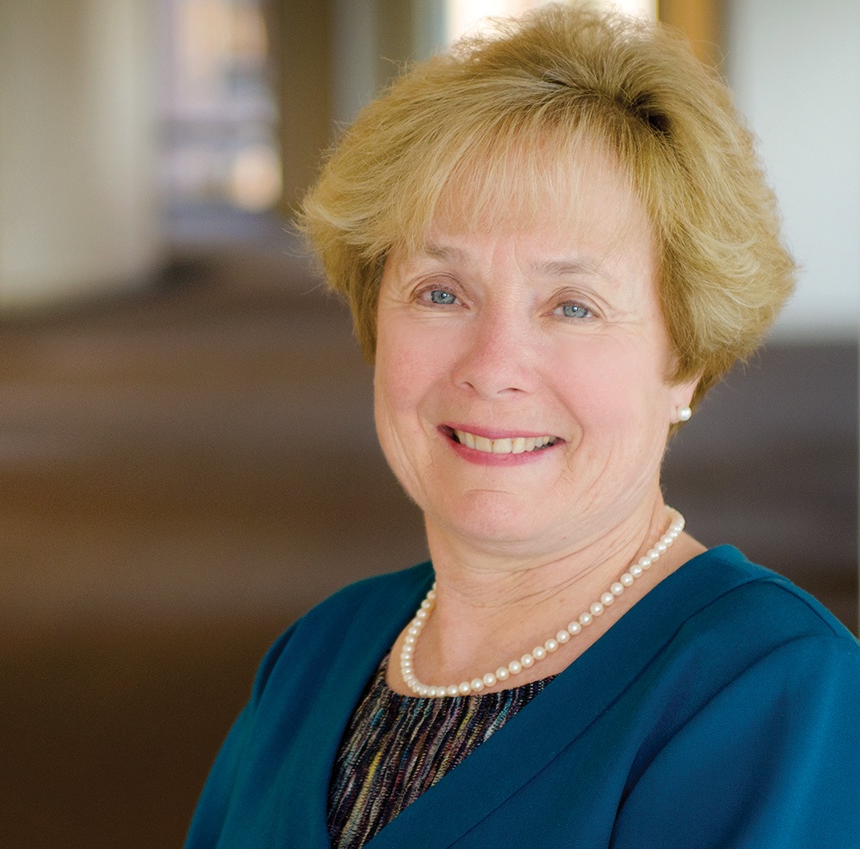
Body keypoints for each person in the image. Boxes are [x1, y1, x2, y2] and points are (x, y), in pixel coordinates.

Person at [185, 5, 860, 847]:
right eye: (441, 292)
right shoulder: (318, 652)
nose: (492, 364)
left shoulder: (774, 692)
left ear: (684, 358)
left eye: (572, 305)